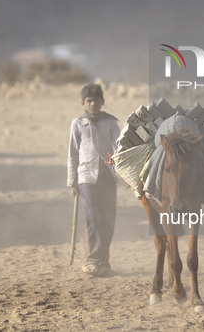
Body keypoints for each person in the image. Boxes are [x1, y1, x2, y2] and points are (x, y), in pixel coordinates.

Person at [67, 83, 120, 275]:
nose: (93, 104)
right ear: (83, 103)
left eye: (96, 100)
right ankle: (91, 260)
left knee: (108, 218)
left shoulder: (111, 123)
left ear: (102, 102)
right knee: (92, 218)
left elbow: (119, 148)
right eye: (89, 101)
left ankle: (103, 261)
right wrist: (72, 181)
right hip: (86, 177)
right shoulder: (78, 124)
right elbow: (72, 153)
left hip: (107, 175)